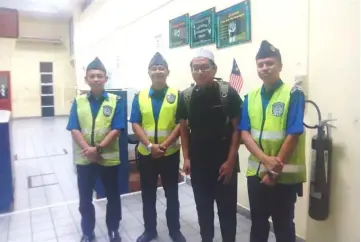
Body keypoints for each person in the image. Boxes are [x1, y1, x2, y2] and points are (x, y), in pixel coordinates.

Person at [239, 40, 306, 242]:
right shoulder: (250, 97)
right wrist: (265, 161)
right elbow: (244, 133)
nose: (265, 68)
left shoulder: (293, 94)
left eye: (269, 63)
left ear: (280, 66)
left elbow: (293, 134)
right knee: (258, 223)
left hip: (284, 177)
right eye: (260, 64)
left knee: (283, 225)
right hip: (256, 175)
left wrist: (274, 170)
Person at [178, 49, 242, 242]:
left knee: (227, 214)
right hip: (199, 165)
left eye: (204, 67)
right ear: (191, 71)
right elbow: (183, 129)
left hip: (225, 165)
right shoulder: (186, 96)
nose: (200, 72)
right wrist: (186, 157)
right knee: (204, 213)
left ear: (214, 69)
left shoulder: (227, 93)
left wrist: (230, 161)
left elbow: (238, 129)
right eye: (195, 68)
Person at [130, 52, 186, 242]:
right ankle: (150, 231)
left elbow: (180, 124)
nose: (158, 71)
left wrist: (163, 145)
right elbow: (135, 123)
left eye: (161, 68)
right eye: (154, 68)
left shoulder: (177, 96)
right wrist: (149, 145)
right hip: (146, 154)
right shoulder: (140, 96)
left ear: (167, 71)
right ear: (149, 72)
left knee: (172, 194)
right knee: (148, 194)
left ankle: (174, 231)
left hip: (169, 153)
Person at [66, 57, 124, 242]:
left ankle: (113, 230)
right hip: (85, 160)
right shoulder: (78, 101)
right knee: (85, 200)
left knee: (113, 197)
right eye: (93, 76)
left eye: (100, 76)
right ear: (86, 79)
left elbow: (116, 129)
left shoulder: (116, 101)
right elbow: (74, 128)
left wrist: (97, 149)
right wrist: (89, 151)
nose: (97, 79)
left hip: (108, 159)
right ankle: (87, 232)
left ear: (106, 79)